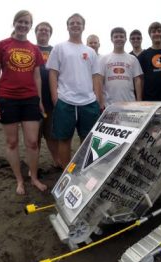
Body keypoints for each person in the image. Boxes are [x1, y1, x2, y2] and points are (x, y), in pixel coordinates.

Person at [0, 10, 47, 195]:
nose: (23, 25)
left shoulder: (34, 49)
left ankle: (34, 177)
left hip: (30, 99)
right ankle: (19, 180)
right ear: (14, 23)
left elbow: (37, 77)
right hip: (7, 99)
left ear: (30, 26)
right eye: (20, 22)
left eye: (26, 23)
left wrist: (39, 100)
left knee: (32, 142)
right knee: (12, 142)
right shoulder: (1, 45)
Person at [46, 13, 103, 170]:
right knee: (64, 139)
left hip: (88, 101)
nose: (75, 25)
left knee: (88, 139)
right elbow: (53, 73)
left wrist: (98, 99)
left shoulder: (90, 51)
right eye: (72, 23)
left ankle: (86, 170)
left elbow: (96, 76)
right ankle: (67, 173)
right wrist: (55, 98)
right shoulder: (59, 48)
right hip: (65, 100)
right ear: (67, 26)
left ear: (83, 27)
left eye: (78, 23)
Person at [35, 21, 60, 168]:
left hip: (52, 99)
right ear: (36, 32)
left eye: (46, 30)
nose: (43, 32)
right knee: (34, 137)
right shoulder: (30, 48)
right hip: (33, 100)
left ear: (50, 34)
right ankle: (34, 165)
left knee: (51, 135)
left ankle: (57, 161)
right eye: (40, 30)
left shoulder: (55, 50)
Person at [98, 27, 143, 106]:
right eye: (116, 37)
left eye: (121, 36)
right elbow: (99, 80)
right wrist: (101, 101)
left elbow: (137, 80)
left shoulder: (133, 59)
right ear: (111, 39)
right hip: (109, 105)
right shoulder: (104, 59)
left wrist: (139, 100)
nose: (119, 39)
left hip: (130, 104)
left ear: (125, 39)